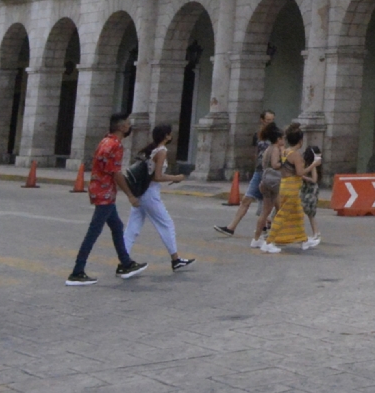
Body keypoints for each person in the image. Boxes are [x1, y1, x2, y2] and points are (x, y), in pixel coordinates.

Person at [65, 111, 149, 286]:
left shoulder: (106, 141)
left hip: (100, 190)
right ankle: (77, 271)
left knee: (117, 226)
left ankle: (125, 263)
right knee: (94, 231)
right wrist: (131, 195)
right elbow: (116, 173)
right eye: (127, 123)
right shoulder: (115, 145)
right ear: (120, 127)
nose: (129, 126)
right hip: (105, 194)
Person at [122, 123, 197, 272]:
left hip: (142, 192)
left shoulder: (152, 149)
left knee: (133, 227)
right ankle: (175, 259)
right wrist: (176, 177)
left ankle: (123, 259)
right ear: (166, 136)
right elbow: (157, 176)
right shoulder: (161, 151)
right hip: (150, 193)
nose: (171, 135)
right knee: (166, 224)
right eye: (170, 133)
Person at [215, 110, 275, 238]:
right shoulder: (258, 135)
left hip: (269, 173)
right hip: (259, 171)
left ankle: (269, 228)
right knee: (246, 200)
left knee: (265, 206)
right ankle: (231, 227)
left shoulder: (276, 136)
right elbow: (256, 151)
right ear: (262, 120)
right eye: (268, 120)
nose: (270, 122)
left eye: (272, 120)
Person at [263, 124, 312, 253]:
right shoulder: (295, 155)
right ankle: (269, 241)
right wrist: (313, 165)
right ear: (301, 141)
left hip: (285, 185)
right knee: (282, 215)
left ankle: (304, 240)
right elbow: (300, 173)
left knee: (298, 214)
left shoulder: (284, 151)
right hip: (292, 187)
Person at [250, 124, 285, 249]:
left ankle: (257, 238)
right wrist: (283, 163)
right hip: (274, 182)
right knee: (279, 210)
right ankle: (271, 238)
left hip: (265, 180)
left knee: (265, 212)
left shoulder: (267, 149)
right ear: (279, 139)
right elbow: (275, 164)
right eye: (282, 138)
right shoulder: (275, 149)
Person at [300, 142, 323, 246]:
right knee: (309, 213)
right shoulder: (308, 164)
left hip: (311, 189)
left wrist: (303, 177)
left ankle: (316, 233)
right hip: (305, 189)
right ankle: (315, 233)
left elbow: (314, 180)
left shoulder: (312, 166)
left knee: (309, 212)